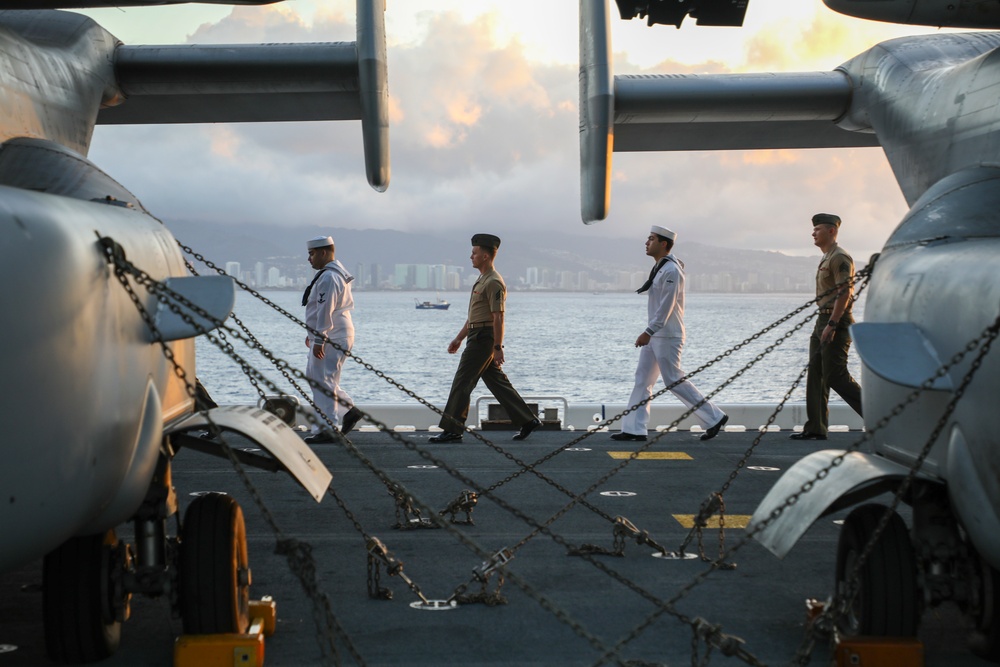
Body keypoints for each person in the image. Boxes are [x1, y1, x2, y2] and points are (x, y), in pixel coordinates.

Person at [612, 225, 728, 442]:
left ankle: (714, 417)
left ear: (663, 243)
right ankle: (634, 429)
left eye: (651, 239)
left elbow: (667, 305)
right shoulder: (662, 267)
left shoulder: (671, 270)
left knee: (673, 379)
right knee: (642, 379)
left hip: (667, 335)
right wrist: (650, 332)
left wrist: (648, 331)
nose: (646, 243)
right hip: (657, 334)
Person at [429, 234, 541, 443]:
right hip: (476, 334)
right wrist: (459, 338)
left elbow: (498, 317)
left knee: (463, 381)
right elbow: (474, 316)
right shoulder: (481, 279)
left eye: (475, 253)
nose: (471, 256)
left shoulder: (494, 282)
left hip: (484, 338)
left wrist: (498, 347)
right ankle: (528, 420)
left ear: (486, 256)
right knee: (496, 381)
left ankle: (453, 430)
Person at [790, 213, 863, 440]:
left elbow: (845, 292)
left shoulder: (840, 257)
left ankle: (883, 418)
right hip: (823, 319)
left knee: (836, 376)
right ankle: (816, 427)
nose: (813, 233)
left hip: (836, 321)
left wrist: (832, 323)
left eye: (818, 229)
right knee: (817, 375)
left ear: (831, 231)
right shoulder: (826, 257)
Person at [302, 235, 362, 444]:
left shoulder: (329, 277)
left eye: (311, 254)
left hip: (333, 334)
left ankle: (326, 428)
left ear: (323, 252)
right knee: (317, 377)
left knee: (324, 380)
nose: (309, 259)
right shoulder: (332, 274)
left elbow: (325, 310)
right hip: (332, 333)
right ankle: (348, 409)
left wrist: (320, 338)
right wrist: (314, 335)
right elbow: (319, 311)